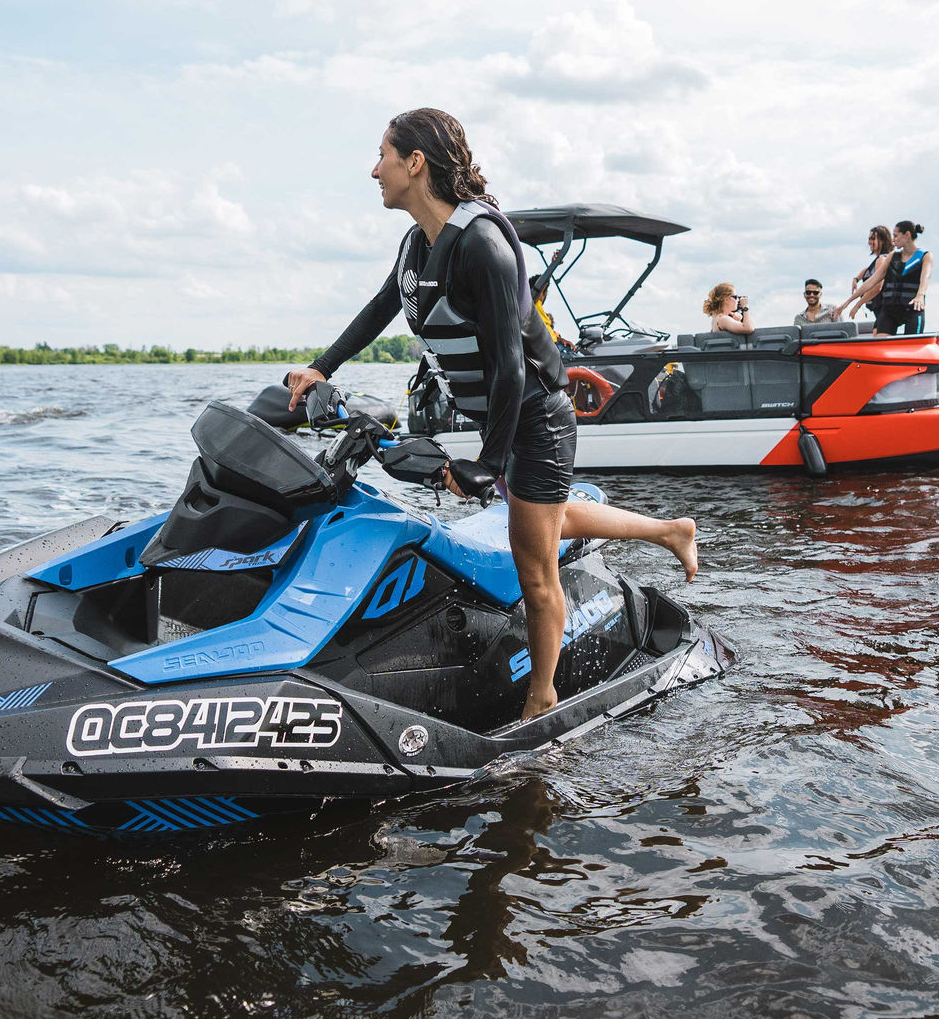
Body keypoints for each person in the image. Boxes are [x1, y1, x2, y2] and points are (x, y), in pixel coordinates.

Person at [283, 108, 697, 722]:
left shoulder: (482, 242)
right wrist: (322, 367)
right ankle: (671, 531)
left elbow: (508, 365)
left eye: (383, 156)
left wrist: (487, 461)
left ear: (414, 163)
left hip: (534, 416)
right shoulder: (416, 243)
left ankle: (541, 699)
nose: (374, 170)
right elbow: (380, 308)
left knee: (534, 564)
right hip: (498, 416)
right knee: (542, 520)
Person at [872, 221, 931, 335]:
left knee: (912, 345)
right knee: (880, 338)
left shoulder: (925, 256)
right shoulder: (893, 256)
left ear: (907, 235)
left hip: (912, 308)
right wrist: (851, 302)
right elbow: (872, 280)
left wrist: (920, 295)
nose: (893, 239)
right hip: (891, 309)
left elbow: (926, 277)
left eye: (895, 235)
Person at [835, 225, 894, 327]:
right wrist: (856, 279)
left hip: (884, 308)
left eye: (873, 239)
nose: (870, 242)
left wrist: (858, 305)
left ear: (883, 241)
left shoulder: (882, 260)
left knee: (879, 333)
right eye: (869, 239)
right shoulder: (879, 260)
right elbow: (867, 270)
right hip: (880, 310)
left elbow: (877, 287)